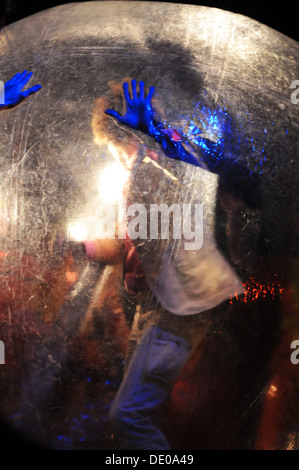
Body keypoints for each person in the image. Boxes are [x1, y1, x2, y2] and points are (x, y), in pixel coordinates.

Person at [91, 79, 247, 450]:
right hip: (156, 306)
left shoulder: (155, 163)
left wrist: (154, 129)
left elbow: (198, 174)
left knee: (127, 416)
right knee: (132, 417)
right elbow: (135, 247)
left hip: (180, 308)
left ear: (113, 138)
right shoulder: (135, 177)